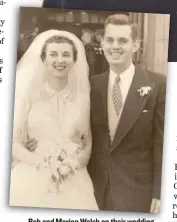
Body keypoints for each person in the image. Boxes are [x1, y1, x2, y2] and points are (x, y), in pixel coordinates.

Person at [9, 30, 98, 210]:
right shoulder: (27, 96)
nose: (60, 60)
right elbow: (13, 144)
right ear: (43, 59)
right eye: (53, 54)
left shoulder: (83, 99)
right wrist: (43, 165)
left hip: (73, 177)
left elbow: (87, 142)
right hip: (32, 172)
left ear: (74, 61)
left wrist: (72, 164)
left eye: (66, 55)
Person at [88, 14, 165, 213]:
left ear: (135, 45)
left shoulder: (158, 84)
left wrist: (160, 190)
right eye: (110, 40)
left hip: (139, 191)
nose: (115, 46)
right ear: (103, 43)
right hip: (98, 189)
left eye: (122, 41)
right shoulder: (92, 84)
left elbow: (162, 142)